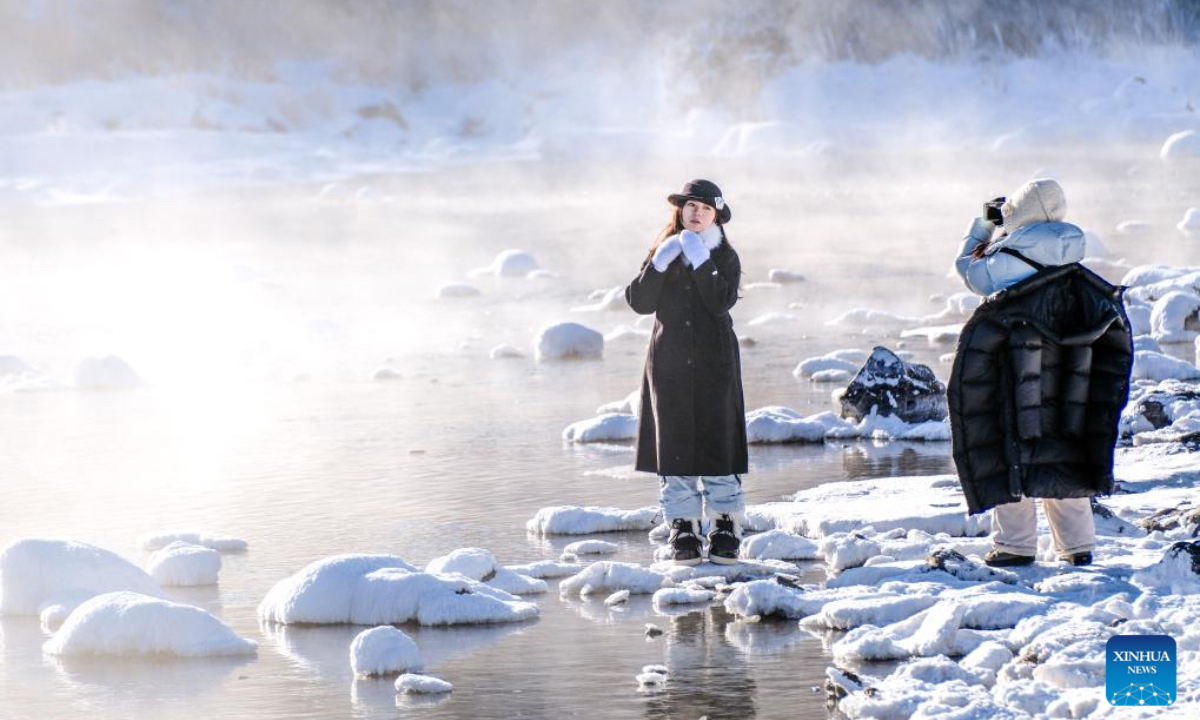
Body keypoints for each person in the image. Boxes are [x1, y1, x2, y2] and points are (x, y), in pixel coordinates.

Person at [948, 177, 1133, 568]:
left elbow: (966, 269)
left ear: (1020, 213)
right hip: (1071, 366)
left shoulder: (1008, 260)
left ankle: (1014, 546)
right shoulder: (1072, 250)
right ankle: (1077, 545)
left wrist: (985, 223)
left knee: (1012, 443)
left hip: (1018, 364)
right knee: (1065, 443)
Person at [625, 179, 748, 566]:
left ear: (716, 217)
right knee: (675, 446)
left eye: (705, 208)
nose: (697, 213)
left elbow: (720, 302)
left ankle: (725, 525)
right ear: (680, 210)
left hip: (715, 364)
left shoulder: (724, 256)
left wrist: (701, 261)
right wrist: (658, 265)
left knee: (718, 442)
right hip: (669, 364)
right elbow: (639, 302)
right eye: (691, 206)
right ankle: (683, 528)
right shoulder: (663, 250)